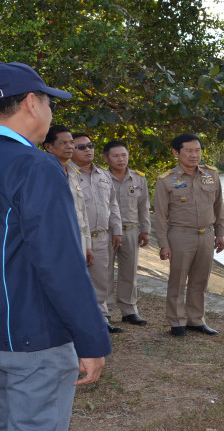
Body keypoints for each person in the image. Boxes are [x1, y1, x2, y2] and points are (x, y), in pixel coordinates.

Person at [0, 62, 111, 431]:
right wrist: (91, 340)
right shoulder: (35, 165)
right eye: (50, 102)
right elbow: (60, 264)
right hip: (34, 335)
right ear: (32, 103)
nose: (52, 113)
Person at [153, 133, 224, 337]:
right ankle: (177, 322)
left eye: (198, 150)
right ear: (176, 152)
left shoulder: (211, 174)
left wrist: (220, 234)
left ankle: (196, 320)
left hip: (207, 235)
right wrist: (163, 244)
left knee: (200, 280)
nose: (194, 155)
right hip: (180, 236)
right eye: (189, 151)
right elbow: (160, 215)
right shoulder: (166, 180)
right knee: (177, 280)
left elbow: (219, 206)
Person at [70, 132, 124, 333]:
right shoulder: (66, 173)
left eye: (90, 146)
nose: (88, 150)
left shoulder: (104, 175)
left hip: (101, 237)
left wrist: (116, 230)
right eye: (81, 147)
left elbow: (113, 204)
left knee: (101, 281)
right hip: (76, 238)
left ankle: (101, 320)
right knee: (75, 281)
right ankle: (77, 321)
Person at [103, 140, 151, 326]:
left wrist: (145, 230)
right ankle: (105, 312)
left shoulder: (139, 178)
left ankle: (129, 310)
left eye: (124, 155)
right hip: (107, 232)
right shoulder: (100, 177)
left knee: (129, 272)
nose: (120, 159)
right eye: (115, 156)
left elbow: (143, 206)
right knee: (104, 273)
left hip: (131, 231)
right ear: (106, 158)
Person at [43, 125, 93, 265]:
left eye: (71, 143)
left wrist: (87, 245)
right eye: (63, 143)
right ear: (48, 146)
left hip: (79, 239)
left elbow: (82, 210)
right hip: (55, 241)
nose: (70, 147)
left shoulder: (73, 173)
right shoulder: (42, 172)